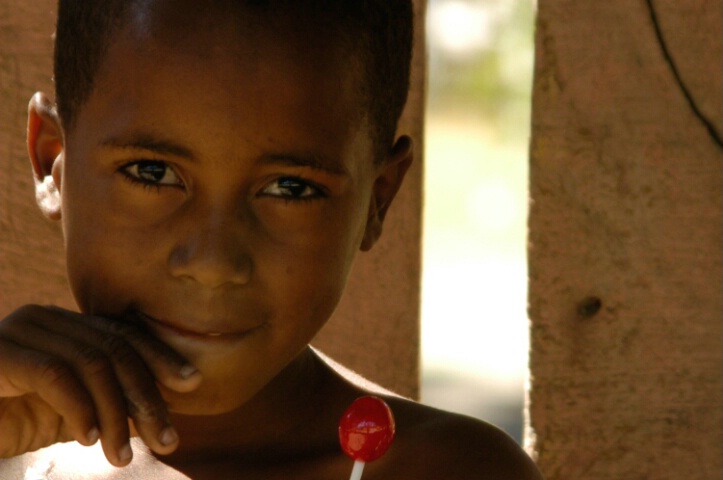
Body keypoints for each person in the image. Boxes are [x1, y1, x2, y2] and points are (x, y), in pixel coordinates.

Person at [0, 1, 543, 478]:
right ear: (53, 162)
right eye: (151, 172)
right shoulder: (10, 444)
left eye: (290, 187)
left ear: (378, 199)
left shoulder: (449, 473)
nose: (212, 263)